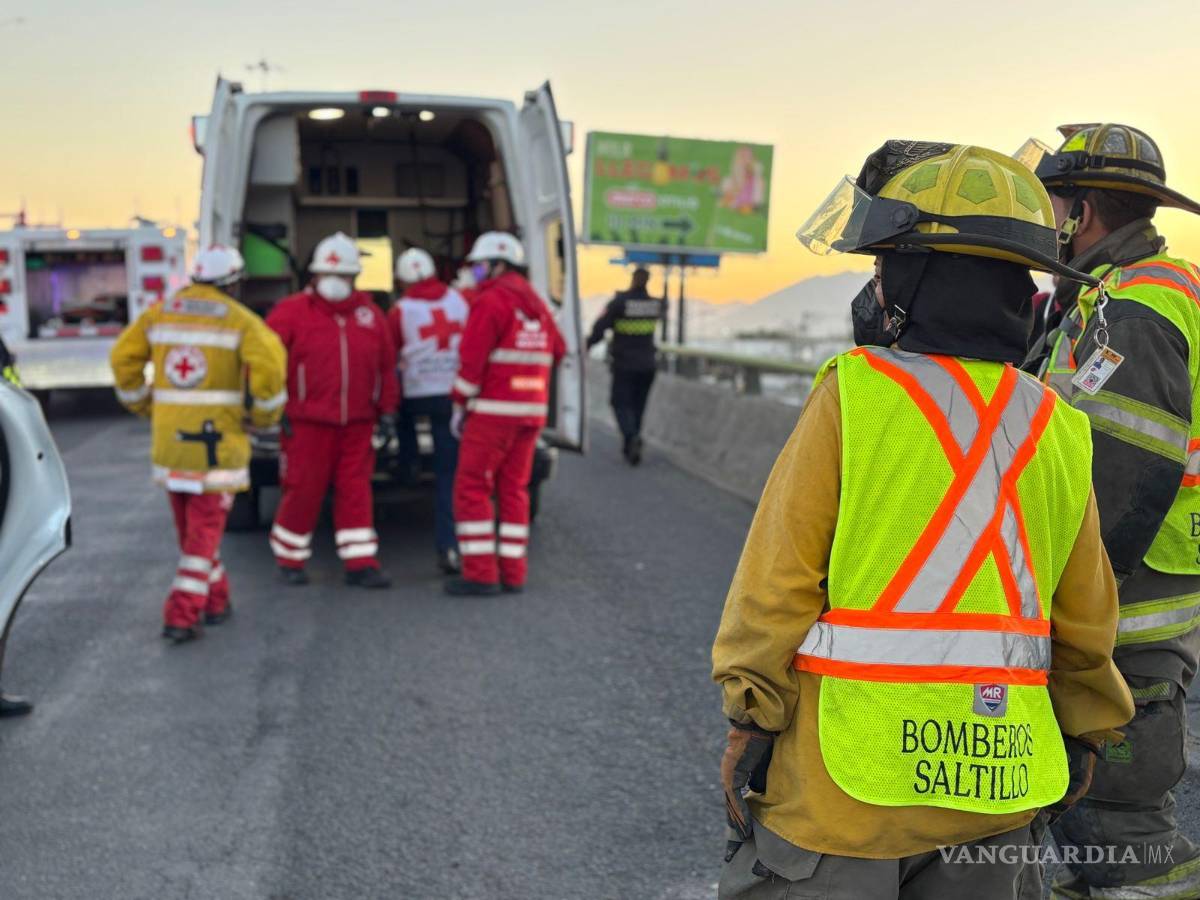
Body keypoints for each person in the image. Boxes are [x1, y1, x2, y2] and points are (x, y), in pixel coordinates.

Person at [712, 142, 1135, 899]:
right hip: (998, 791)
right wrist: (1087, 726)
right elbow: (1085, 618)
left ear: (915, 276)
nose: (876, 283)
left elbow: (775, 583)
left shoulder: (856, 393)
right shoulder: (1056, 423)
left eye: (886, 266)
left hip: (846, 794)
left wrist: (750, 714)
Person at [1021, 124, 1200, 899]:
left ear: (1081, 211)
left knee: (1114, 810)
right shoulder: (1122, 290)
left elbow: (1123, 471)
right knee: (1092, 806)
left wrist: (1072, 598)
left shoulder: (1136, 306)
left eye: (1050, 200)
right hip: (1147, 587)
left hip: (1129, 603)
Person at [111, 245, 287, 643]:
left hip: (171, 445)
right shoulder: (241, 322)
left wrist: (143, 404)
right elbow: (271, 370)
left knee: (193, 532)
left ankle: (216, 600)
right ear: (233, 282)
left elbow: (123, 359)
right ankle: (181, 613)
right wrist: (262, 418)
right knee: (204, 534)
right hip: (216, 448)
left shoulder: (161, 313)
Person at [266, 232, 399, 589]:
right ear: (314, 276)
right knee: (302, 489)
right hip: (307, 422)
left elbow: (386, 367)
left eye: (344, 276)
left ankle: (360, 562)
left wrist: (387, 412)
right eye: (330, 274)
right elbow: (265, 364)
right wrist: (272, 407)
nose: (337, 282)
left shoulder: (370, 315)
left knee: (356, 490)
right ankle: (289, 558)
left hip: (358, 422)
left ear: (356, 278)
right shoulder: (291, 313)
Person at [446, 232, 565, 595]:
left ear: (498, 265)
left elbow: (472, 360)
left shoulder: (491, 301)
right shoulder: (537, 304)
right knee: (514, 490)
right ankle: (513, 574)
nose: (476, 273)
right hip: (530, 416)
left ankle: (480, 574)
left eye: (480, 266)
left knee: (471, 489)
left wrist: (458, 403)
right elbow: (558, 350)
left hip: (493, 415)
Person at [389, 246, 469, 574]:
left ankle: (408, 464)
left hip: (416, 393)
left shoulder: (401, 309)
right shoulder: (459, 300)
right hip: (451, 395)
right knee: (448, 474)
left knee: (402, 416)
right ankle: (448, 544)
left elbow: (388, 354)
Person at [585, 267, 664, 464]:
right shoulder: (656, 304)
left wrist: (585, 346)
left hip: (624, 364)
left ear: (633, 279)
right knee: (639, 405)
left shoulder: (619, 302)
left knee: (619, 402)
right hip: (648, 364)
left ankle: (630, 436)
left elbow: (599, 328)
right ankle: (633, 438)